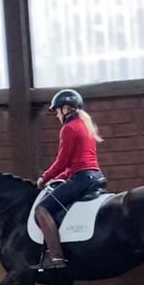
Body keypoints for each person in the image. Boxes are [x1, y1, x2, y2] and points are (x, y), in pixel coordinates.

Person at [34, 88, 105, 271]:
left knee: (42, 209)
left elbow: (62, 162)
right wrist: (58, 178)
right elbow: (74, 164)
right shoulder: (85, 125)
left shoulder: (69, 128)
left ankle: (56, 257)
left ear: (66, 108)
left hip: (82, 179)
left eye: (57, 110)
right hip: (93, 175)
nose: (57, 115)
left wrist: (44, 177)